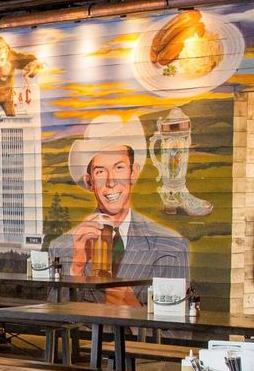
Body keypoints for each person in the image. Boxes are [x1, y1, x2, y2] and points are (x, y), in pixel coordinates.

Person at [47, 114, 189, 301]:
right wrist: (76, 269)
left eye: (119, 168)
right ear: (90, 182)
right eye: (100, 171)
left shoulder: (171, 247)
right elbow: (54, 315)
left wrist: (131, 307)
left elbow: (176, 320)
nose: (111, 181)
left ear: (133, 173)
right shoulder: (61, 248)